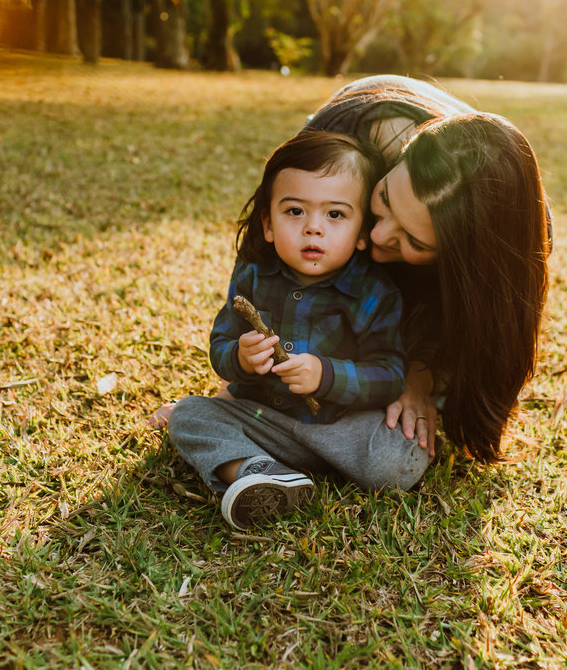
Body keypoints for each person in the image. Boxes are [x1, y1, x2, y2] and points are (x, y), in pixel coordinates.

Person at [166, 128, 422, 530]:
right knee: (187, 414)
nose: (313, 228)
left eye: (335, 214)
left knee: (396, 458)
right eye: (295, 211)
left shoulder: (375, 293)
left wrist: (327, 375)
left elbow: (389, 375)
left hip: (342, 429)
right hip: (261, 418)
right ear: (268, 224)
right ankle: (258, 470)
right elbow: (220, 344)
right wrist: (240, 358)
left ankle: (281, 465)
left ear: (361, 232)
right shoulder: (254, 274)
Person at [301, 76, 552, 466]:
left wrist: (421, 375)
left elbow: (480, 325)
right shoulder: (337, 142)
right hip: (361, 113)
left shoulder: (518, 232)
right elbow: (272, 259)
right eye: (384, 197)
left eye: (415, 241)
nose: (378, 234)